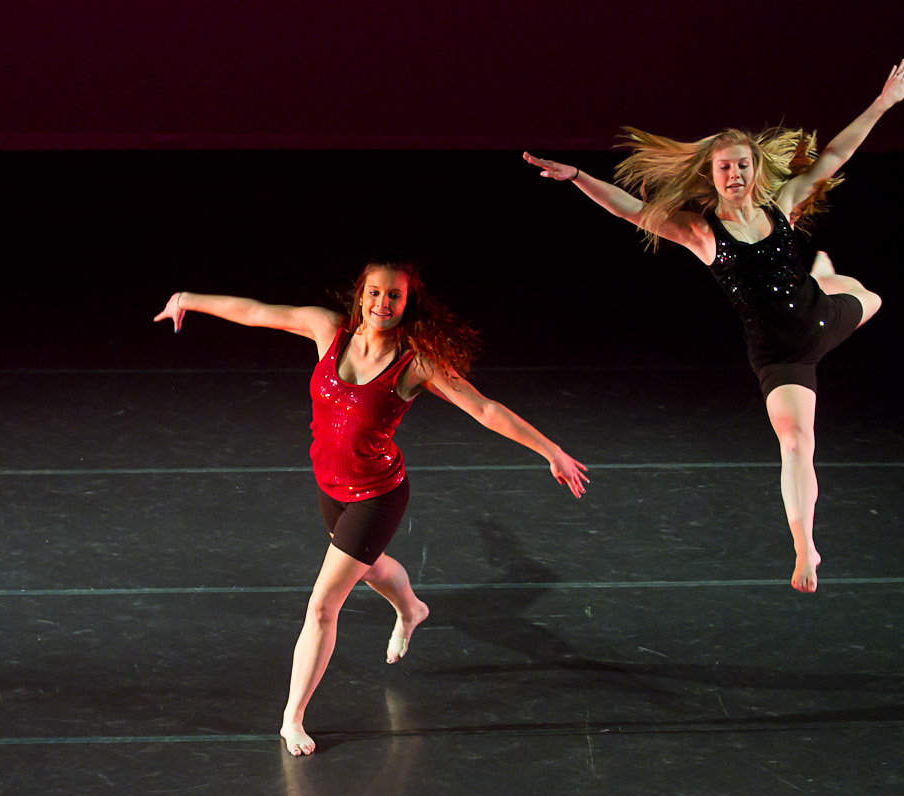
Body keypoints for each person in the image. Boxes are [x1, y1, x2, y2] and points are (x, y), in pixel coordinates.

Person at [154, 261, 588, 756]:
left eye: (395, 296)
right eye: (376, 293)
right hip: (331, 489)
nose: (383, 304)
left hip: (377, 497)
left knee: (323, 606)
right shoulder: (327, 331)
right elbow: (255, 312)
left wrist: (550, 451)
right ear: (361, 295)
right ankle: (411, 609)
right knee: (372, 567)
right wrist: (186, 299)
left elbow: (484, 408)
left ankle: (292, 718)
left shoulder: (415, 363)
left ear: (408, 303)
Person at [523, 59, 904, 594]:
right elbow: (630, 209)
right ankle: (805, 546)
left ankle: (822, 275)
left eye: (742, 166)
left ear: (756, 169)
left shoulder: (782, 206)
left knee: (873, 298)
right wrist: (578, 178)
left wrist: (884, 102)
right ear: (711, 175)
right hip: (781, 358)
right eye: (725, 167)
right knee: (796, 443)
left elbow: (835, 155)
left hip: (822, 317)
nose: (735, 175)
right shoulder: (702, 233)